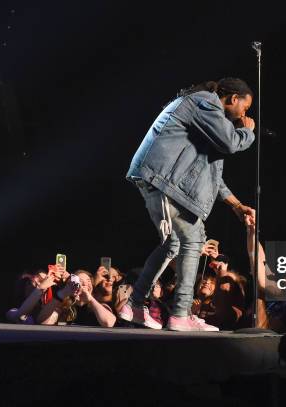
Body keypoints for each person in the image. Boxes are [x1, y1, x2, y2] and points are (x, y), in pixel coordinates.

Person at [120, 78, 256, 331]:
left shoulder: (206, 116)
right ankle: (181, 314)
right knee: (194, 240)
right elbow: (230, 143)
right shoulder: (206, 102)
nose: (245, 115)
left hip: (159, 181)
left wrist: (236, 205)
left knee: (172, 244)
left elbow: (212, 174)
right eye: (245, 108)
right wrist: (247, 131)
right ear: (234, 98)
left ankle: (135, 304)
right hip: (162, 181)